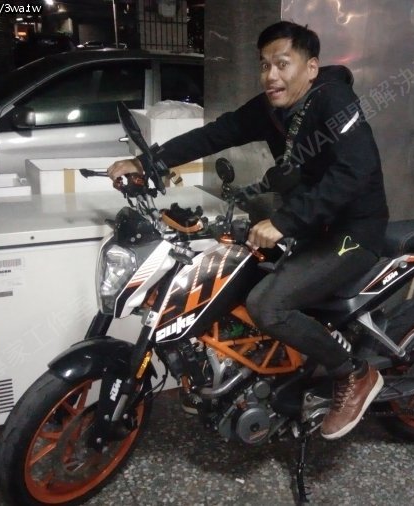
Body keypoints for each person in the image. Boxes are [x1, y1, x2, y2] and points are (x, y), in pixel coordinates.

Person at [107, 21, 388, 440]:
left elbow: (355, 171)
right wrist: (148, 163)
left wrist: (285, 222)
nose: (271, 75)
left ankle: (354, 374)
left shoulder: (335, 100)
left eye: (282, 64)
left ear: (311, 68)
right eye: (264, 65)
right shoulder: (273, 110)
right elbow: (216, 134)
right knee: (231, 277)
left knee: (267, 305)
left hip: (353, 233)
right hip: (311, 228)